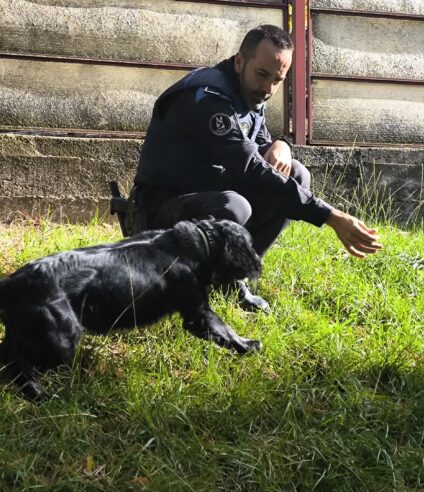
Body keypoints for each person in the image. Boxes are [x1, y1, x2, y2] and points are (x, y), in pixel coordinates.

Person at [130, 24, 382, 311]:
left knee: (296, 173)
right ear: (240, 62)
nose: (268, 89)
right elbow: (250, 168)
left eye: (277, 80)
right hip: (158, 214)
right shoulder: (207, 99)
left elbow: (260, 147)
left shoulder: (247, 92)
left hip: (205, 200)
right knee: (235, 206)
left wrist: (282, 144)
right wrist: (330, 216)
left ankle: (229, 277)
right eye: (262, 75)